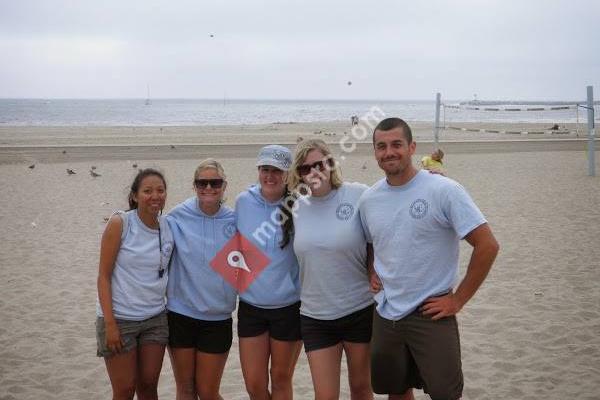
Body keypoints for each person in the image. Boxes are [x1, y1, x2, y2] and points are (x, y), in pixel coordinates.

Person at [358, 118, 499, 400]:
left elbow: (487, 245)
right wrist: (371, 269)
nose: (389, 152)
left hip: (431, 313)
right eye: (381, 146)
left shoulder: (443, 190)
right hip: (387, 314)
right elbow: (372, 241)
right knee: (396, 391)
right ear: (374, 153)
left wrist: (458, 299)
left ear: (412, 147)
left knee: (444, 394)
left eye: (397, 144)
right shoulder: (369, 199)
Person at [286, 139, 374, 400]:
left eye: (319, 164)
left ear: (331, 163)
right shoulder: (294, 207)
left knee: (361, 388)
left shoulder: (358, 194)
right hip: (315, 316)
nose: (314, 172)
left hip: (359, 309)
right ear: (298, 175)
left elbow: (378, 233)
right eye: (305, 168)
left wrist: (374, 269)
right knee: (325, 395)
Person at [96, 168, 174, 400]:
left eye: (160, 190)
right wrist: (110, 324)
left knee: (149, 385)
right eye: (147, 191)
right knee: (125, 389)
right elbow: (103, 276)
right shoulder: (121, 223)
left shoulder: (168, 226)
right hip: (120, 318)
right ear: (134, 196)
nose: (155, 196)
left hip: (155, 318)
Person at [166, 159, 237, 400]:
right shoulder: (176, 217)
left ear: (224, 186)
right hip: (180, 314)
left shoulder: (235, 221)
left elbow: (249, 269)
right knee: (185, 390)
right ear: (194, 185)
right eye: (202, 183)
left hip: (217, 318)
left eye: (214, 182)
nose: (208, 187)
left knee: (208, 392)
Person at [235, 145, 302, 400]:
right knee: (254, 384)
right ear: (258, 171)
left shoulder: (299, 205)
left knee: (281, 379)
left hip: (289, 307)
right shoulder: (243, 202)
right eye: (265, 169)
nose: (270, 176)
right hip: (251, 306)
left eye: (277, 170)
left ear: (287, 174)